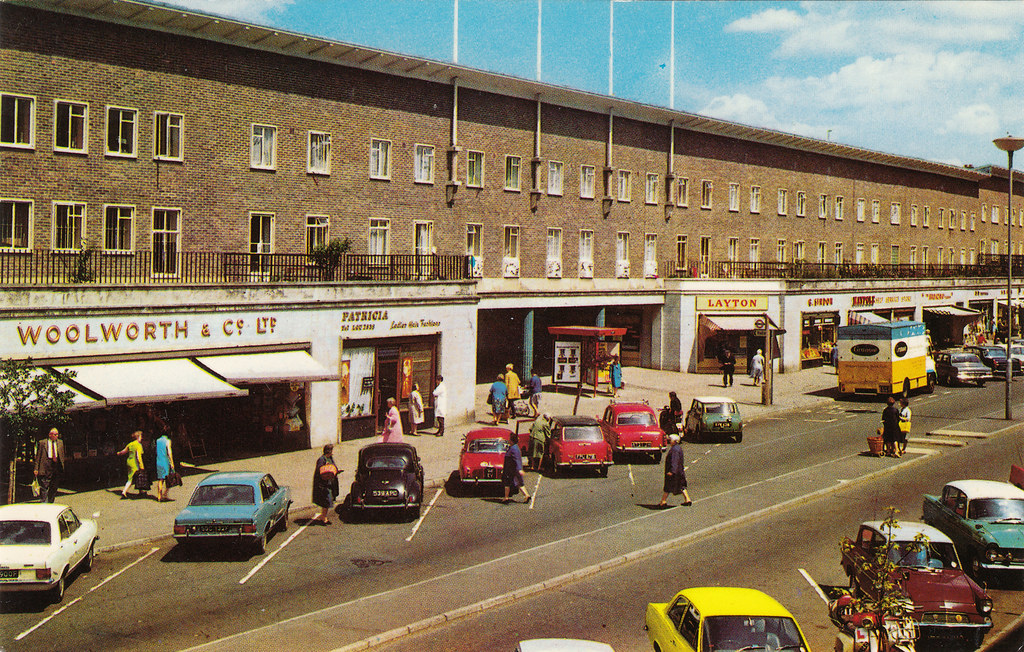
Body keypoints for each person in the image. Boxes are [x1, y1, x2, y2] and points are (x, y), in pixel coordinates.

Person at [658, 434, 692, 507]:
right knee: (681, 485)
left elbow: (674, 461)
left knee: (668, 486)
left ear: (674, 441)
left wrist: (672, 471)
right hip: (679, 471)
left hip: (674, 472)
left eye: (670, 440)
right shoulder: (678, 448)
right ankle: (687, 499)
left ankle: (663, 501)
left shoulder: (674, 450)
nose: (669, 441)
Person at [34, 427, 65, 503]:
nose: (56, 436)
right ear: (50, 435)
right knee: (44, 485)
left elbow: (62, 455)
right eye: (55, 434)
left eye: (57, 434)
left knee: (54, 486)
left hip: (56, 466)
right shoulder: (42, 443)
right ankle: (44, 502)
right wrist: (36, 468)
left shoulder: (60, 442)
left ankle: (51, 502)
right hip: (46, 464)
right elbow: (38, 456)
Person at [311, 444, 339, 525]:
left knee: (328, 500)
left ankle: (324, 516)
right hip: (323, 484)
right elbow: (320, 471)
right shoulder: (321, 459)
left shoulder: (330, 458)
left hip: (330, 482)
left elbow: (334, 466)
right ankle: (324, 517)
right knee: (327, 500)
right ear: (328, 451)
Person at [502, 431, 531, 504]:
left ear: (512, 441)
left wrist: (520, 469)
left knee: (507, 483)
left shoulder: (514, 449)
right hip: (511, 469)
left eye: (509, 439)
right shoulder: (514, 447)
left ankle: (506, 498)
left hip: (511, 469)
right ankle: (526, 495)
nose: (508, 440)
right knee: (518, 483)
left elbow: (517, 459)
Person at [117, 430, 147, 499]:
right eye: (141, 436)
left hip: (129, 462)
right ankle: (124, 492)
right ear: (138, 437)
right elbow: (138, 456)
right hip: (135, 463)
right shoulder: (139, 445)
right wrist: (141, 465)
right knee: (132, 478)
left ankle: (141, 491)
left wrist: (118, 453)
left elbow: (124, 451)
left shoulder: (130, 444)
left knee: (137, 476)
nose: (142, 438)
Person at [154, 429, 175, 502]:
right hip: (165, 461)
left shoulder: (157, 440)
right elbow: (169, 452)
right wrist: (172, 462)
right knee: (168, 479)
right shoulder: (168, 441)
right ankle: (165, 494)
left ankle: (159, 496)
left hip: (158, 461)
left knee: (160, 480)